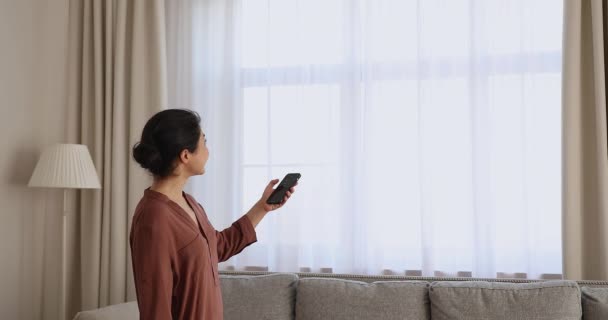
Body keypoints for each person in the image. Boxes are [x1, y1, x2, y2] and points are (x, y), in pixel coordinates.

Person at [130, 108, 296, 319]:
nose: (208, 150)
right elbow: (156, 308)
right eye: (204, 141)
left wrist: (262, 207)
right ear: (186, 155)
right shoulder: (154, 218)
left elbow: (218, 246)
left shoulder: (189, 203)